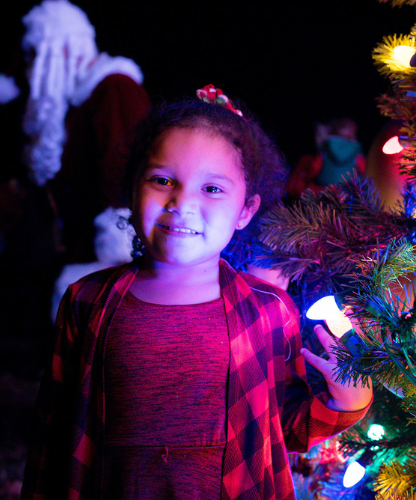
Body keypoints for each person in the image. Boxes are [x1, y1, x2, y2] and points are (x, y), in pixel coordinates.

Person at [21, 85, 372, 500]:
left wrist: (349, 400)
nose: (181, 202)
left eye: (211, 189)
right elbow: (54, 434)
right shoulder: (86, 302)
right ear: (132, 192)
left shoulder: (268, 312)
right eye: (162, 180)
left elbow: (282, 424)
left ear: (245, 210)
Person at [21, 0, 151, 263]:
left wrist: (109, 266)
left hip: (105, 260)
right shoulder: (79, 102)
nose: (32, 69)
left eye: (38, 55)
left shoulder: (115, 90)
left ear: (63, 50)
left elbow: (126, 184)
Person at [286, 118, 365, 200]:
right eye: (318, 134)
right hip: (349, 192)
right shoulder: (356, 154)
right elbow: (366, 170)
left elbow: (313, 169)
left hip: (326, 189)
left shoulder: (324, 152)